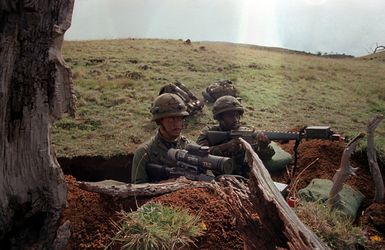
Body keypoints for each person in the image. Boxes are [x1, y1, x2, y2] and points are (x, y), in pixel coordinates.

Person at [196, 95, 292, 176]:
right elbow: (197, 154)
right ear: (219, 118)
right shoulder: (208, 132)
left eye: (237, 115)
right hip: (216, 178)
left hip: (244, 178)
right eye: (230, 116)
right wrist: (225, 147)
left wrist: (264, 147)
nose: (236, 120)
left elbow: (265, 160)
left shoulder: (248, 132)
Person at [131, 93, 189, 184]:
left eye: (180, 118)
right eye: (171, 119)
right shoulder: (144, 153)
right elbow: (137, 188)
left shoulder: (191, 149)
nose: (177, 124)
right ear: (159, 121)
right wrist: (162, 185)